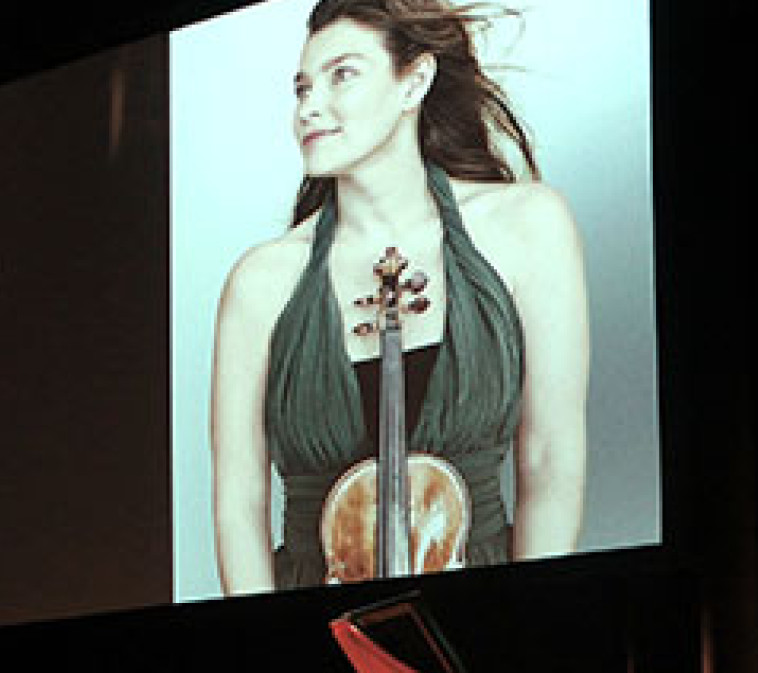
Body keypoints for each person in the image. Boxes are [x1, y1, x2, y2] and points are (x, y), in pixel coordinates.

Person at [210, 0, 589, 592]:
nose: (310, 108)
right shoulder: (261, 282)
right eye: (302, 87)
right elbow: (239, 505)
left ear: (414, 81)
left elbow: (548, 457)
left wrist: (530, 616)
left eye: (343, 75)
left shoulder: (528, 226)